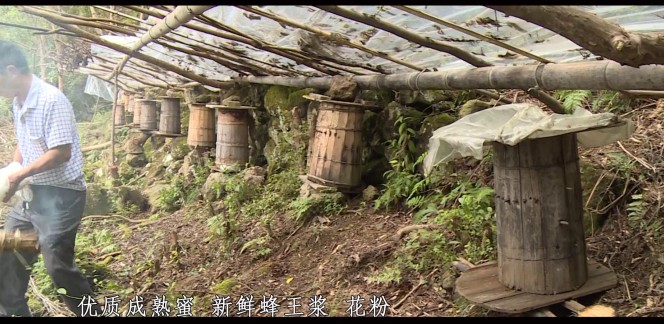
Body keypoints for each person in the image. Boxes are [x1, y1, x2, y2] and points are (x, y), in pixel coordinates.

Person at [0, 40, 101, 317]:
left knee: (57, 264)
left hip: (61, 195)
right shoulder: (18, 102)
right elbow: (24, 141)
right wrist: (12, 170)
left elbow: (60, 153)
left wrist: (23, 173)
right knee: (8, 252)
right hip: (31, 195)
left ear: (11, 70)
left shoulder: (51, 100)